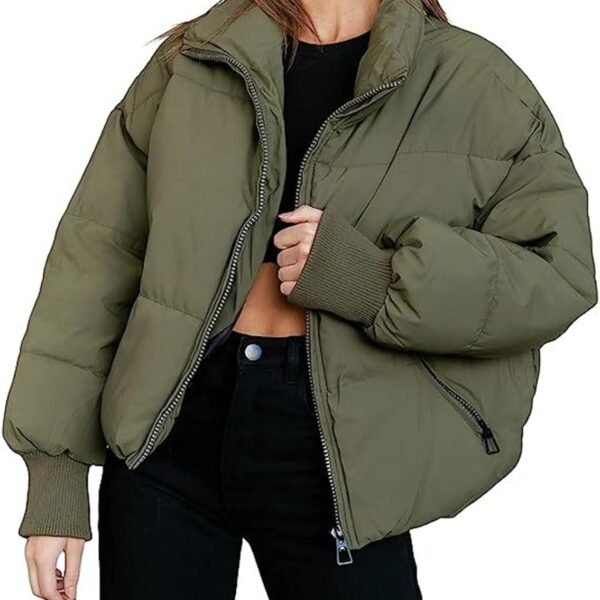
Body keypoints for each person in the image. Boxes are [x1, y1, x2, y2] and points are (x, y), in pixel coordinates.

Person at [3, 0, 597, 598]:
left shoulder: (475, 81)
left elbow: (559, 273)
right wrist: (55, 475)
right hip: (168, 433)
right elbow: (96, 259)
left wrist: (374, 279)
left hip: (340, 442)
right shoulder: (198, 58)